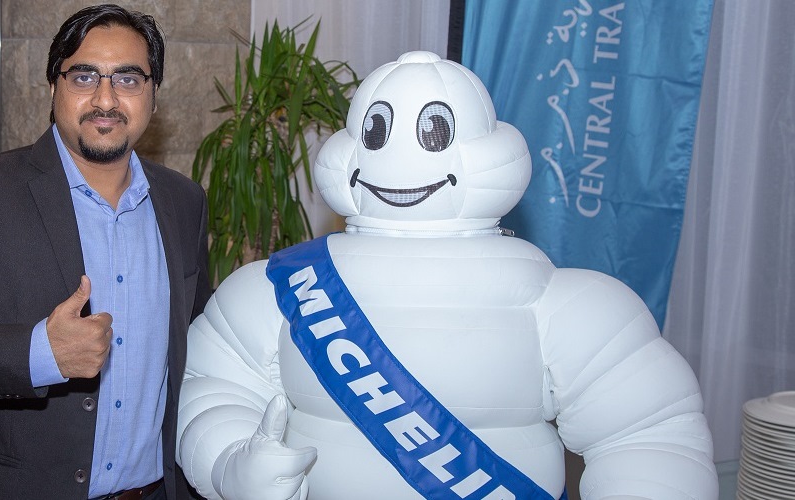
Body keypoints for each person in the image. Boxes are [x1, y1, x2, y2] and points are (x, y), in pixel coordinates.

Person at [176, 52, 716, 499]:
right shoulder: (275, 288)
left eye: (434, 131)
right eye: (379, 131)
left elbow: (648, 435)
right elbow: (209, 387)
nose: (404, 153)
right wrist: (231, 463)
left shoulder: (566, 304)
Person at [0, 4, 211, 499]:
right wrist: (39, 354)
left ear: (153, 95)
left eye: (127, 79)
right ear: (53, 86)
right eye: (83, 76)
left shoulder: (183, 202)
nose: (105, 98)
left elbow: (198, 346)